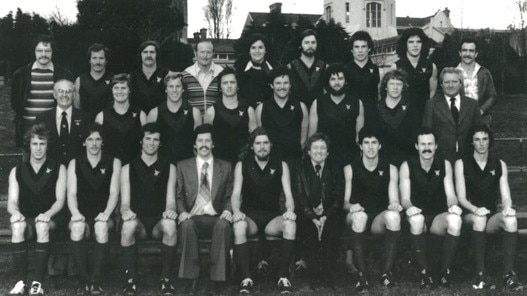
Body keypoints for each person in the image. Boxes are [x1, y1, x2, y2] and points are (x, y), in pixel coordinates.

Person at [455, 125, 523, 291]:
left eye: (485, 139)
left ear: (489, 141)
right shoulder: (461, 163)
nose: (481, 143)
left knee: (511, 220)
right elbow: (461, 198)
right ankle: (480, 275)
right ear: (471, 142)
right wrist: (475, 209)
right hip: (469, 215)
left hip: (490, 216)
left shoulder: (499, 164)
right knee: (479, 219)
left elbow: (506, 196)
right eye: (477, 139)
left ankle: (508, 275)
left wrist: (507, 208)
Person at [231, 127, 297, 294]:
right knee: (238, 226)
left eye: (266, 143)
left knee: (290, 225)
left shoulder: (281, 164)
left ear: (271, 145)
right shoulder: (242, 165)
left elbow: (288, 195)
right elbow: (236, 194)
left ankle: (283, 277)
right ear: (251, 146)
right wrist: (236, 211)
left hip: (272, 218)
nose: (262, 146)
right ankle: (246, 278)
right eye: (258, 143)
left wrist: (290, 210)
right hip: (250, 217)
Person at [7, 123, 67, 295]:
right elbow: (12, 202)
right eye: (35, 144)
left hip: (51, 220)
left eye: (42, 143)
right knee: (17, 226)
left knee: (41, 225)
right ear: (29, 145)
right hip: (28, 219)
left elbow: (60, 201)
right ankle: (20, 283)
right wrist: (16, 213)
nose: (38, 148)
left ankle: (37, 284)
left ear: (48, 146)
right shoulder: (17, 170)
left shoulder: (58, 168)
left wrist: (47, 214)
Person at [119, 123, 178, 296]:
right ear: (141, 141)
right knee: (127, 226)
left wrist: (170, 210)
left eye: (155, 140)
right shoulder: (127, 168)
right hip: (139, 223)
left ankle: (166, 280)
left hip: (159, 221)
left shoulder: (170, 167)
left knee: (170, 225)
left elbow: (171, 201)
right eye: (148, 139)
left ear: (160, 143)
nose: (151, 143)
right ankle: (131, 280)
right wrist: (126, 212)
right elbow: (124, 203)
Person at [399, 127, 462, 288]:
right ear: (416, 146)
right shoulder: (407, 165)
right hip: (417, 217)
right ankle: (424, 272)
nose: (426, 148)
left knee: (455, 220)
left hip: (437, 219)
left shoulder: (444, 164)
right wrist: (410, 207)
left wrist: (453, 206)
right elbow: (404, 198)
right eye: (422, 144)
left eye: (430, 144)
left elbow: (451, 195)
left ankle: (444, 272)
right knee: (417, 219)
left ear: (436, 146)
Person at [175, 124, 233, 294]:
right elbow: (178, 195)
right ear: (194, 144)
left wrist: (228, 210)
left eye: (208, 140)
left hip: (216, 216)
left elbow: (229, 195)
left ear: (213, 144)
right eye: (200, 140)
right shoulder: (183, 166)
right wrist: (182, 212)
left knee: (223, 225)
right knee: (185, 225)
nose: (204, 144)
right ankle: (190, 278)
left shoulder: (226, 167)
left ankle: (217, 280)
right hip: (192, 216)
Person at [343, 127, 401, 291]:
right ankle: (362, 275)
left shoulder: (391, 169)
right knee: (360, 216)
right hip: (355, 216)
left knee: (394, 216)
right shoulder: (350, 168)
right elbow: (344, 203)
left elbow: (394, 198)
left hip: (377, 219)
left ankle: (386, 273)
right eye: (366, 143)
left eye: (374, 142)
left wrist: (394, 204)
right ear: (360, 146)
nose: (370, 147)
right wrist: (352, 207)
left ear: (380, 145)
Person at [66, 124, 121, 295]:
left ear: (102, 142)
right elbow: (71, 194)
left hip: (104, 215)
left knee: (101, 227)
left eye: (98, 139)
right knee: (76, 227)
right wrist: (75, 213)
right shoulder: (74, 163)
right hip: (82, 214)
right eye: (90, 139)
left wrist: (106, 213)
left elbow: (114, 194)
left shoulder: (114, 162)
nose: (94, 143)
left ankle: (96, 281)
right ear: (84, 143)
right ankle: (83, 281)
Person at [292, 133, 341, 290]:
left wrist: (325, 217)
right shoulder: (299, 168)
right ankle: (313, 275)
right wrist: (313, 217)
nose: (319, 151)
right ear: (308, 151)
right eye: (315, 148)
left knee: (332, 232)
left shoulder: (335, 168)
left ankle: (327, 275)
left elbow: (338, 198)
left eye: (322, 148)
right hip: (307, 215)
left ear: (328, 152)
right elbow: (299, 196)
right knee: (309, 231)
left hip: (329, 214)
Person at [11, 35, 74, 147]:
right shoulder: (20, 75)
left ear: (53, 52)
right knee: (28, 164)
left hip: (54, 132)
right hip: (28, 132)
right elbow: (15, 103)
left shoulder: (64, 74)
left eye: (47, 51)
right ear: (34, 52)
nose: (43, 54)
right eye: (39, 51)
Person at [308, 63, 364, 168]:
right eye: (332, 79)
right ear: (327, 82)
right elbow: (312, 137)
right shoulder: (318, 102)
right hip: (325, 158)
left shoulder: (356, 102)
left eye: (340, 78)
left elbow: (359, 137)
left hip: (350, 157)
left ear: (346, 81)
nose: (336, 83)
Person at [422, 67, 482, 163]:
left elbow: (479, 131)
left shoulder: (472, 104)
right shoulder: (431, 104)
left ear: (461, 84)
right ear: (441, 84)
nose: (450, 85)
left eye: (454, 82)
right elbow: (427, 133)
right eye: (446, 82)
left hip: (468, 159)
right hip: (440, 159)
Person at [255, 66, 309, 163]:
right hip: (270, 162)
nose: (282, 87)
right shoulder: (261, 108)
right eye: (278, 83)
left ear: (290, 85)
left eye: (285, 83)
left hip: (294, 161)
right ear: (271, 85)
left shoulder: (301, 107)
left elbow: (304, 140)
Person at [204, 67, 257, 163]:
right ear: (220, 87)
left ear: (238, 86)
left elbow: (256, 140)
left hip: (243, 163)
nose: (229, 86)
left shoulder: (249, 110)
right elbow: (206, 142)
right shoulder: (211, 111)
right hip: (219, 164)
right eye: (225, 83)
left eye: (232, 82)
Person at [147, 72, 201, 163]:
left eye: (178, 86)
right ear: (165, 89)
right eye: (171, 86)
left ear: (183, 89)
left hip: (187, 166)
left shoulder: (195, 113)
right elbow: (148, 145)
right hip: (163, 166)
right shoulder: (154, 113)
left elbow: (199, 145)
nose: (174, 90)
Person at [95, 74, 147, 165]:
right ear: (111, 90)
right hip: (109, 167)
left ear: (129, 90)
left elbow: (146, 145)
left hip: (134, 168)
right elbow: (96, 146)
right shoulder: (101, 116)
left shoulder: (141, 115)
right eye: (116, 88)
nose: (119, 91)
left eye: (123, 88)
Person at [34, 79, 89, 165]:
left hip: (77, 169)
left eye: (68, 91)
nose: (64, 95)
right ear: (55, 94)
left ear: (74, 95)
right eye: (61, 91)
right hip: (50, 170)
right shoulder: (42, 118)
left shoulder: (85, 118)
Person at [377, 69, 420, 166]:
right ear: (385, 87)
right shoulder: (377, 108)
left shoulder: (412, 107)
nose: (395, 87)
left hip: (407, 158)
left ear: (403, 87)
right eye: (392, 84)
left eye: (399, 84)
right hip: (383, 159)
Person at [394, 28, 438, 118]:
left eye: (418, 41)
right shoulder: (396, 67)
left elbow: (432, 94)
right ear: (404, 44)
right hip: (402, 115)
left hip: (423, 114)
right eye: (411, 42)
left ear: (423, 44)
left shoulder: (431, 66)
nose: (415, 45)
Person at [456, 38, 497, 127]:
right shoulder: (453, 73)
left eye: (471, 51)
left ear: (476, 54)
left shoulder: (484, 73)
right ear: (460, 53)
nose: (467, 54)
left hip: (481, 119)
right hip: (459, 120)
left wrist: (481, 110)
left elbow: (492, 96)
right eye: (464, 50)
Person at [346, 31, 380, 128]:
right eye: (356, 47)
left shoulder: (377, 70)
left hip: (371, 116)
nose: (360, 51)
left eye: (363, 46)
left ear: (369, 48)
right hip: (350, 116)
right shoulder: (345, 70)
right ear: (351, 50)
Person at [287, 29, 327, 108]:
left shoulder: (324, 67)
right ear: (300, 45)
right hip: (297, 112)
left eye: (313, 42)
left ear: (317, 45)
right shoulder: (290, 67)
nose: (310, 45)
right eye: (306, 42)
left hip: (319, 111)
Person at [73, 43, 114, 120]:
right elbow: (77, 109)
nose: (97, 62)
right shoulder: (80, 80)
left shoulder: (114, 79)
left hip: (108, 126)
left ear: (106, 60)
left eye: (101, 58)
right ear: (89, 60)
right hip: (86, 127)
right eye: (94, 58)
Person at [182, 39, 224, 114]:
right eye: (202, 52)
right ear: (195, 53)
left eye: (208, 52)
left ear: (213, 53)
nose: (205, 56)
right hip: (193, 122)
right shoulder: (186, 74)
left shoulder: (221, 73)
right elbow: (183, 101)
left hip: (216, 122)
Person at [129, 41, 170, 113]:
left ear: (157, 55)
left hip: (160, 118)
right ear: (140, 55)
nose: (149, 55)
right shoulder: (132, 76)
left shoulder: (166, 74)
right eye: (145, 52)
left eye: (152, 52)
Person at [235, 33, 274, 107]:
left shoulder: (273, 70)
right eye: (253, 47)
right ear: (249, 51)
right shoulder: (241, 71)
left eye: (260, 47)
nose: (257, 51)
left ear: (265, 50)